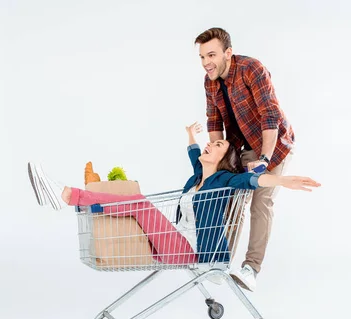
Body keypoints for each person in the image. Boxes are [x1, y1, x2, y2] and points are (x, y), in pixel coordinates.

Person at [28, 123, 320, 287]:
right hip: (175, 240)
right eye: (211, 143)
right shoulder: (197, 177)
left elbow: (253, 183)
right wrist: (192, 136)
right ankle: (79, 201)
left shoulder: (224, 181)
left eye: (217, 146)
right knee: (137, 204)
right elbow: (195, 154)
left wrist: (283, 181)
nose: (210, 145)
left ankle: (67, 196)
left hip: (193, 251)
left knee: (139, 204)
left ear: (224, 161)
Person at [195, 27, 296, 291]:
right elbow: (214, 121)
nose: (207, 63)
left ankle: (251, 268)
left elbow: (269, 115)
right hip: (240, 146)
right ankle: (219, 261)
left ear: (228, 53)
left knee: (260, 202)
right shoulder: (210, 81)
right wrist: (217, 160)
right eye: (203, 57)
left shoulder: (252, 69)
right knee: (230, 200)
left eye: (212, 55)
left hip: (271, 143)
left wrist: (264, 157)